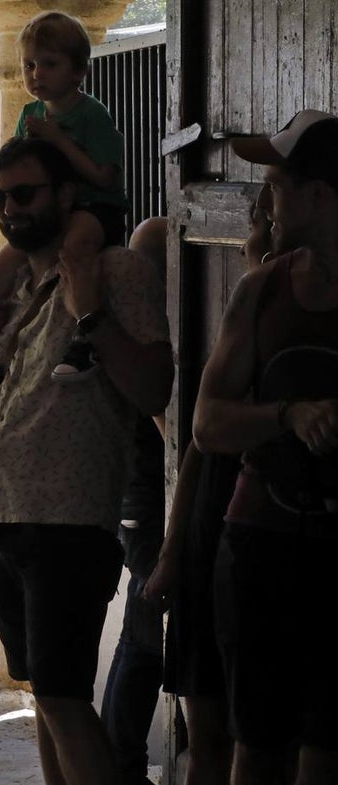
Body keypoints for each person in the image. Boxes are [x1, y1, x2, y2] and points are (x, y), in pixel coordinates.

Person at [0, 135, 172, 785]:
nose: (11, 210)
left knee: (64, 698)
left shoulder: (116, 272)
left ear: (68, 195)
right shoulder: (19, 283)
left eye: (25, 194)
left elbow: (154, 388)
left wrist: (92, 317)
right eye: (0, 199)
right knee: (46, 697)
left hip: (68, 519)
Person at [193, 109, 338, 785]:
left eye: (275, 187)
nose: (260, 205)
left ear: (320, 196)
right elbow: (207, 424)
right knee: (256, 748)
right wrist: (288, 415)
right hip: (261, 545)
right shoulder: (260, 290)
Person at [143, 204, 272, 785]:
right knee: (207, 735)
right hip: (208, 533)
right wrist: (173, 552)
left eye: (262, 224)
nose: (251, 241)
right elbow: (198, 443)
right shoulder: (243, 317)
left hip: (269, 541)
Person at [0, 10, 127, 418]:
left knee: (75, 249)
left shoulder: (91, 114)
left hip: (92, 205)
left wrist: (57, 141)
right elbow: (19, 160)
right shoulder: (29, 114)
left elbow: (105, 175)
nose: (36, 74)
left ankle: (85, 337)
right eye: (29, 65)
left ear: (78, 71)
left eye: (49, 64)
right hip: (52, 212)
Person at [99, 216, 168, 785]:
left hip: (138, 492)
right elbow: (156, 412)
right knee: (145, 630)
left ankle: (119, 761)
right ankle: (121, 764)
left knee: (141, 628)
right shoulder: (137, 326)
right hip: (142, 491)